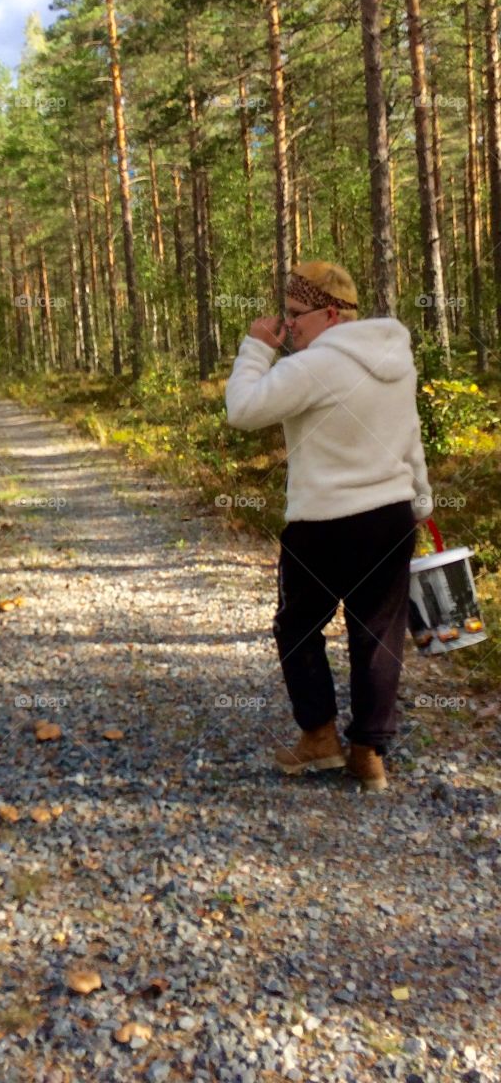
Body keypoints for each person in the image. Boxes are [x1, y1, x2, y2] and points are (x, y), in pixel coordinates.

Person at [225, 261, 433, 793]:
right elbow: (410, 437)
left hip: (321, 524)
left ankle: (319, 740)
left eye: (296, 315)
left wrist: (256, 347)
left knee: (297, 630)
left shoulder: (314, 367)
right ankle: (369, 754)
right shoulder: (396, 359)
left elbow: (242, 410)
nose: (287, 325)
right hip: (390, 517)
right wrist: (423, 499)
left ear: (331, 313)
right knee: (378, 638)